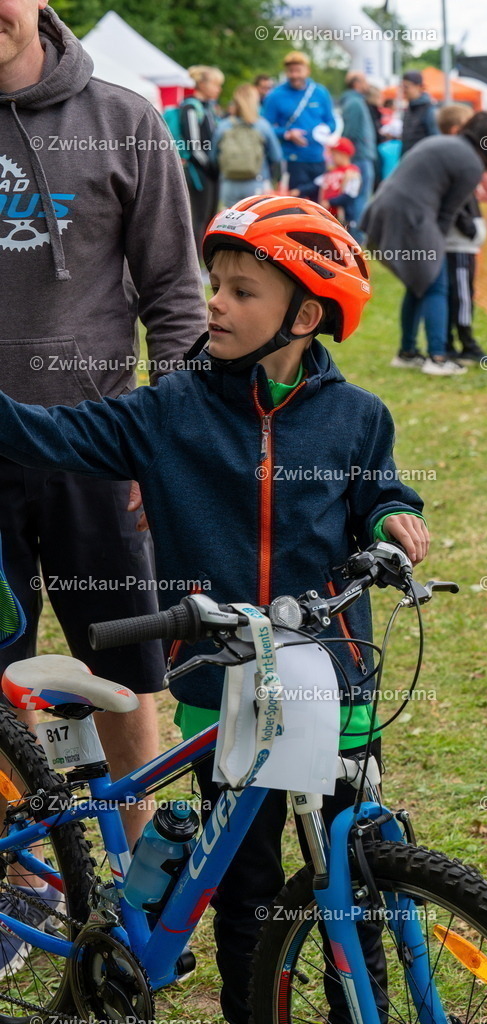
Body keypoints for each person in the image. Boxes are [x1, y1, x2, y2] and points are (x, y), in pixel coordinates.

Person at [0, 194, 430, 1022]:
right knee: (245, 879)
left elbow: (377, 486)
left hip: (333, 674)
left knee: (352, 864)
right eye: (216, 284)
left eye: (240, 290)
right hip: (220, 679)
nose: (214, 304)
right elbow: (52, 435)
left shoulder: (356, 416)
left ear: (304, 313)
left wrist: (390, 515)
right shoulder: (171, 409)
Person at [0, 0, 206, 861]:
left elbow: (176, 296)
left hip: (96, 454)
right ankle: (14, 884)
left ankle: (129, 876)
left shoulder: (125, 119)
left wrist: (170, 443)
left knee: (126, 678)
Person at [361, 112, 487, 376]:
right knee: (434, 284)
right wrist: (435, 250)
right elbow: (447, 215)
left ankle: (407, 352)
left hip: (382, 209)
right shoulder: (471, 163)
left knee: (418, 285)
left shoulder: (442, 142)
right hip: (410, 217)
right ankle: (437, 358)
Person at [437, 106, 487, 364]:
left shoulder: (454, 157)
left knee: (458, 293)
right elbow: (454, 200)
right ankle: (466, 341)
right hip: (458, 243)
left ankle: (452, 340)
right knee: (460, 294)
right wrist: (469, 227)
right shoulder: (457, 159)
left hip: (462, 243)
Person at [262, 51, 336, 199]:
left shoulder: (320, 92)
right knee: (295, 205)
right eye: (291, 71)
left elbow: (332, 122)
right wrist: (287, 134)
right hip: (292, 160)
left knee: (319, 206)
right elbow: (265, 127)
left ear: (307, 70)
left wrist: (325, 129)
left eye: (298, 71)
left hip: (318, 159)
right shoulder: (275, 95)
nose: (295, 75)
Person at [214, 83, 283, 206]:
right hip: (257, 182)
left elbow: (213, 157)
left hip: (229, 183)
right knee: (256, 222)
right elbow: (276, 156)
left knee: (231, 222)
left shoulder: (223, 125)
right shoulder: (262, 126)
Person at [181, 64, 224, 258]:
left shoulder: (209, 109)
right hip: (198, 173)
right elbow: (194, 146)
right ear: (202, 84)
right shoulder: (191, 107)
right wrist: (210, 167)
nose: (218, 89)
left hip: (211, 172)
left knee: (210, 215)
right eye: (215, 84)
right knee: (198, 217)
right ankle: (196, 259)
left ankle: (205, 257)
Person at [339, 71, 377, 238]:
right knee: (359, 200)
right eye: (364, 81)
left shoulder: (354, 102)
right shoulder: (354, 103)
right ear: (356, 83)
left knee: (359, 199)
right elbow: (351, 133)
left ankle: (356, 237)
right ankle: (357, 238)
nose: (367, 85)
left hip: (361, 156)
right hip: (359, 158)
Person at [400, 70, 438, 156]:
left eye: (406, 87)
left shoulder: (429, 110)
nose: (403, 90)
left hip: (424, 161)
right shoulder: (409, 109)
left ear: (419, 87)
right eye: (402, 87)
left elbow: (435, 139)